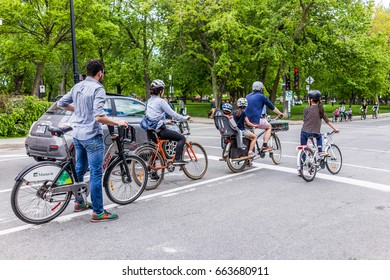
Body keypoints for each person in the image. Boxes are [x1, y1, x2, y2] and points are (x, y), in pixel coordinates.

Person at [58, 59, 128, 222]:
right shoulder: (98, 88)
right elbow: (99, 117)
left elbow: (61, 104)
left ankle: (79, 202)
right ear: (100, 73)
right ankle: (98, 212)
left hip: (77, 134)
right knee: (96, 173)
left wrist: (80, 109)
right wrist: (117, 122)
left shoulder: (78, 86)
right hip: (91, 135)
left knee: (80, 169)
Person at [145, 79, 190, 166]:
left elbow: (152, 117)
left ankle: (153, 173)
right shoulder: (161, 101)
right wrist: (184, 118)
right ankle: (177, 159)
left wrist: (165, 121)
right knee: (181, 138)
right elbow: (173, 113)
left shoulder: (148, 101)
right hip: (160, 131)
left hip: (150, 130)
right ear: (160, 91)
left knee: (156, 149)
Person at [245, 81, 283, 152]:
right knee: (269, 127)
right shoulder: (262, 96)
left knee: (251, 136)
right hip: (255, 120)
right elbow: (272, 107)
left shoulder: (247, 96)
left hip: (246, 120)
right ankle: (265, 146)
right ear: (261, 89)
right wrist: (280, 113)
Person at [300, 90, 339, 157]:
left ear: (311, 100)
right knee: (319, 137)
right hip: (315, 133)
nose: (307, 100)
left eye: (308, 98)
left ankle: (301, 163)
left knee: (303, 148)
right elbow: (327, 121)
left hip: (304, 132)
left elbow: (304, 120)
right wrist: (335, 129)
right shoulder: (320, 109)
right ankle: (320, 151)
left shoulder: (306, 109)